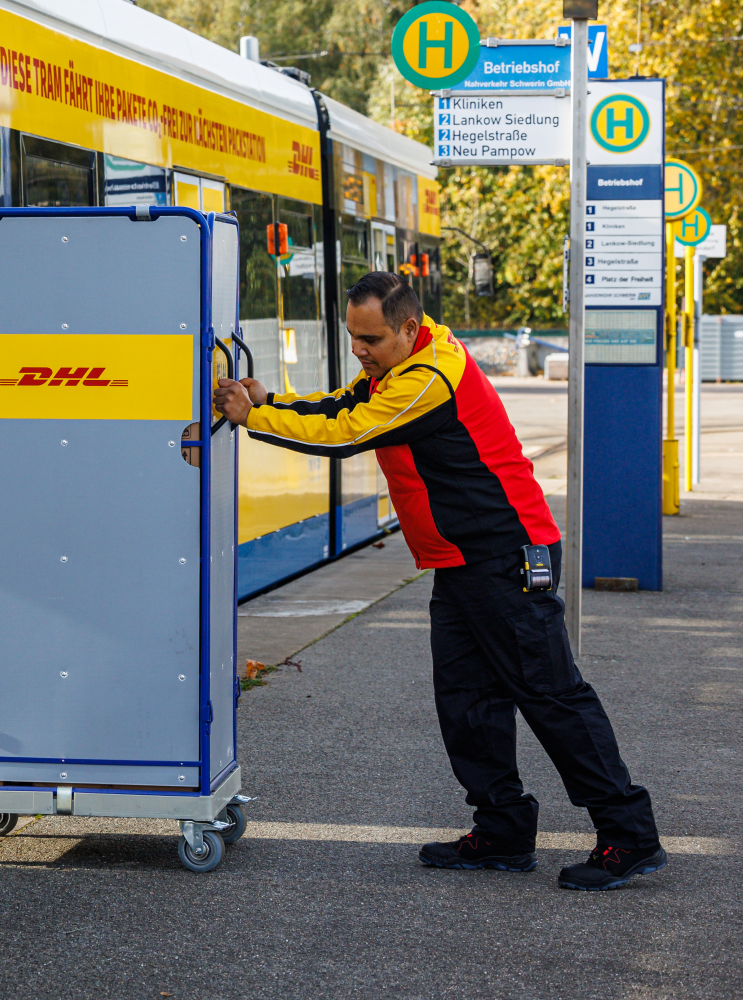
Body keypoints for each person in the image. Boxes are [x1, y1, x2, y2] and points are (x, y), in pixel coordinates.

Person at [214, 271, 664, 891]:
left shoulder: (430, 378)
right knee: (466, 699)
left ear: (406, 327)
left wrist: (256, 419)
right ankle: (502, 831)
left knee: (551, 695)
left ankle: (629, 834)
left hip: (505, 553)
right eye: (352, 336)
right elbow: (347, 404)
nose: (359, 350)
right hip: (460, 560)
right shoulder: (401, 365)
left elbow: (351, 433)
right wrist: (267, 405)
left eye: (369, 338)